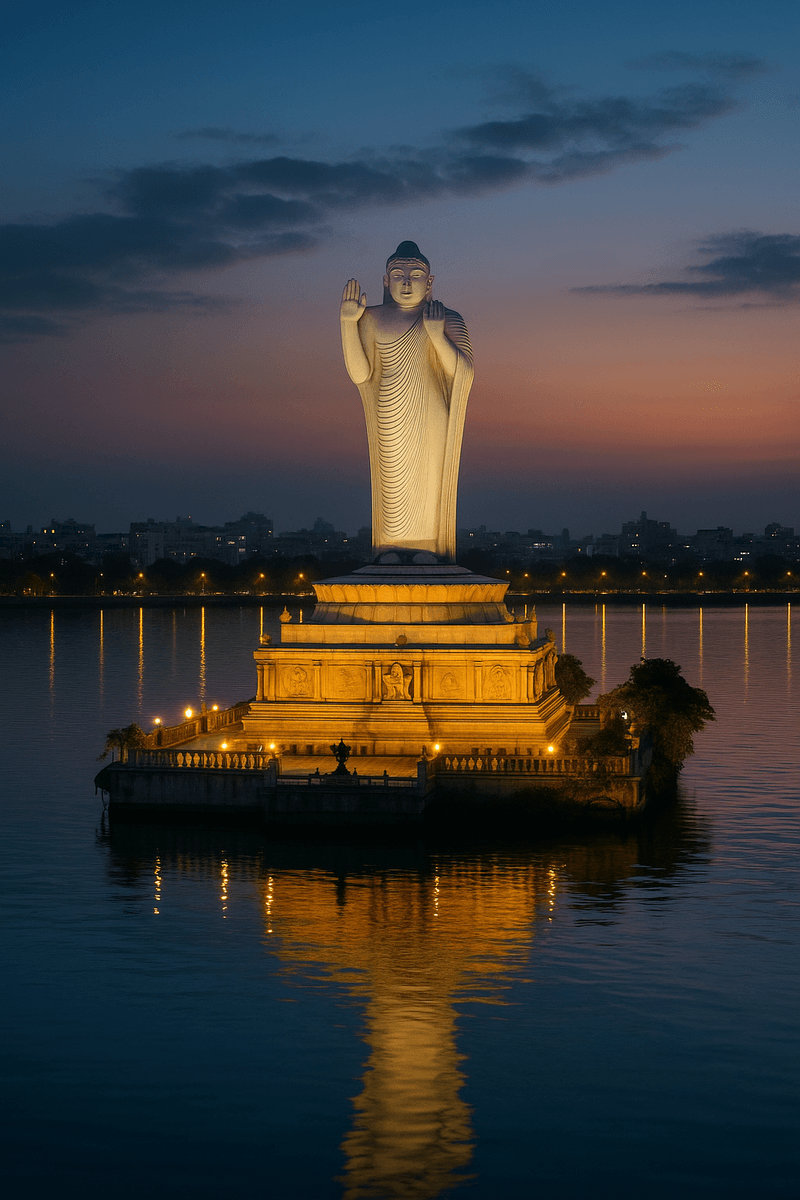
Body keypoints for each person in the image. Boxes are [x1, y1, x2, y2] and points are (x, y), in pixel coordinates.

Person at [340, 241, 473, 561]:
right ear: (386, 281)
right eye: (398, 275)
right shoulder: (370, 318)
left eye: (415, 275)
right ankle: (392, 547)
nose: (406, 282)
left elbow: (463, 372)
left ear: (429, 282)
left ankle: (426, 546)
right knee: (393, 483)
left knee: (428, 481)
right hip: (389, 408)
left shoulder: (446, 317)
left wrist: (437, 335)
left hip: (430, 411)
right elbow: (361, 375)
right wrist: (347, 323)